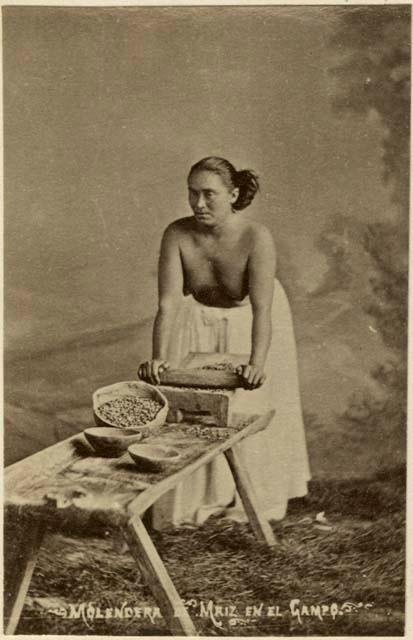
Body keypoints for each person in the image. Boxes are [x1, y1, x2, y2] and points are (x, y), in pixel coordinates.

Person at [138, 156, 311, 529]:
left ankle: (251, 499)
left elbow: (262, 309)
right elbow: (168, 304)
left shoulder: (255, 237)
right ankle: (197, 501)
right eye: (192, 193)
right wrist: (159, 362)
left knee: (250, 408)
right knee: (194, 411)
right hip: (197, 322)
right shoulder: (177, 234)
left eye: (209, 195)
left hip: (253, 322)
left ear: (233, 195)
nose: (198, 204)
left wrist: (256, 363)